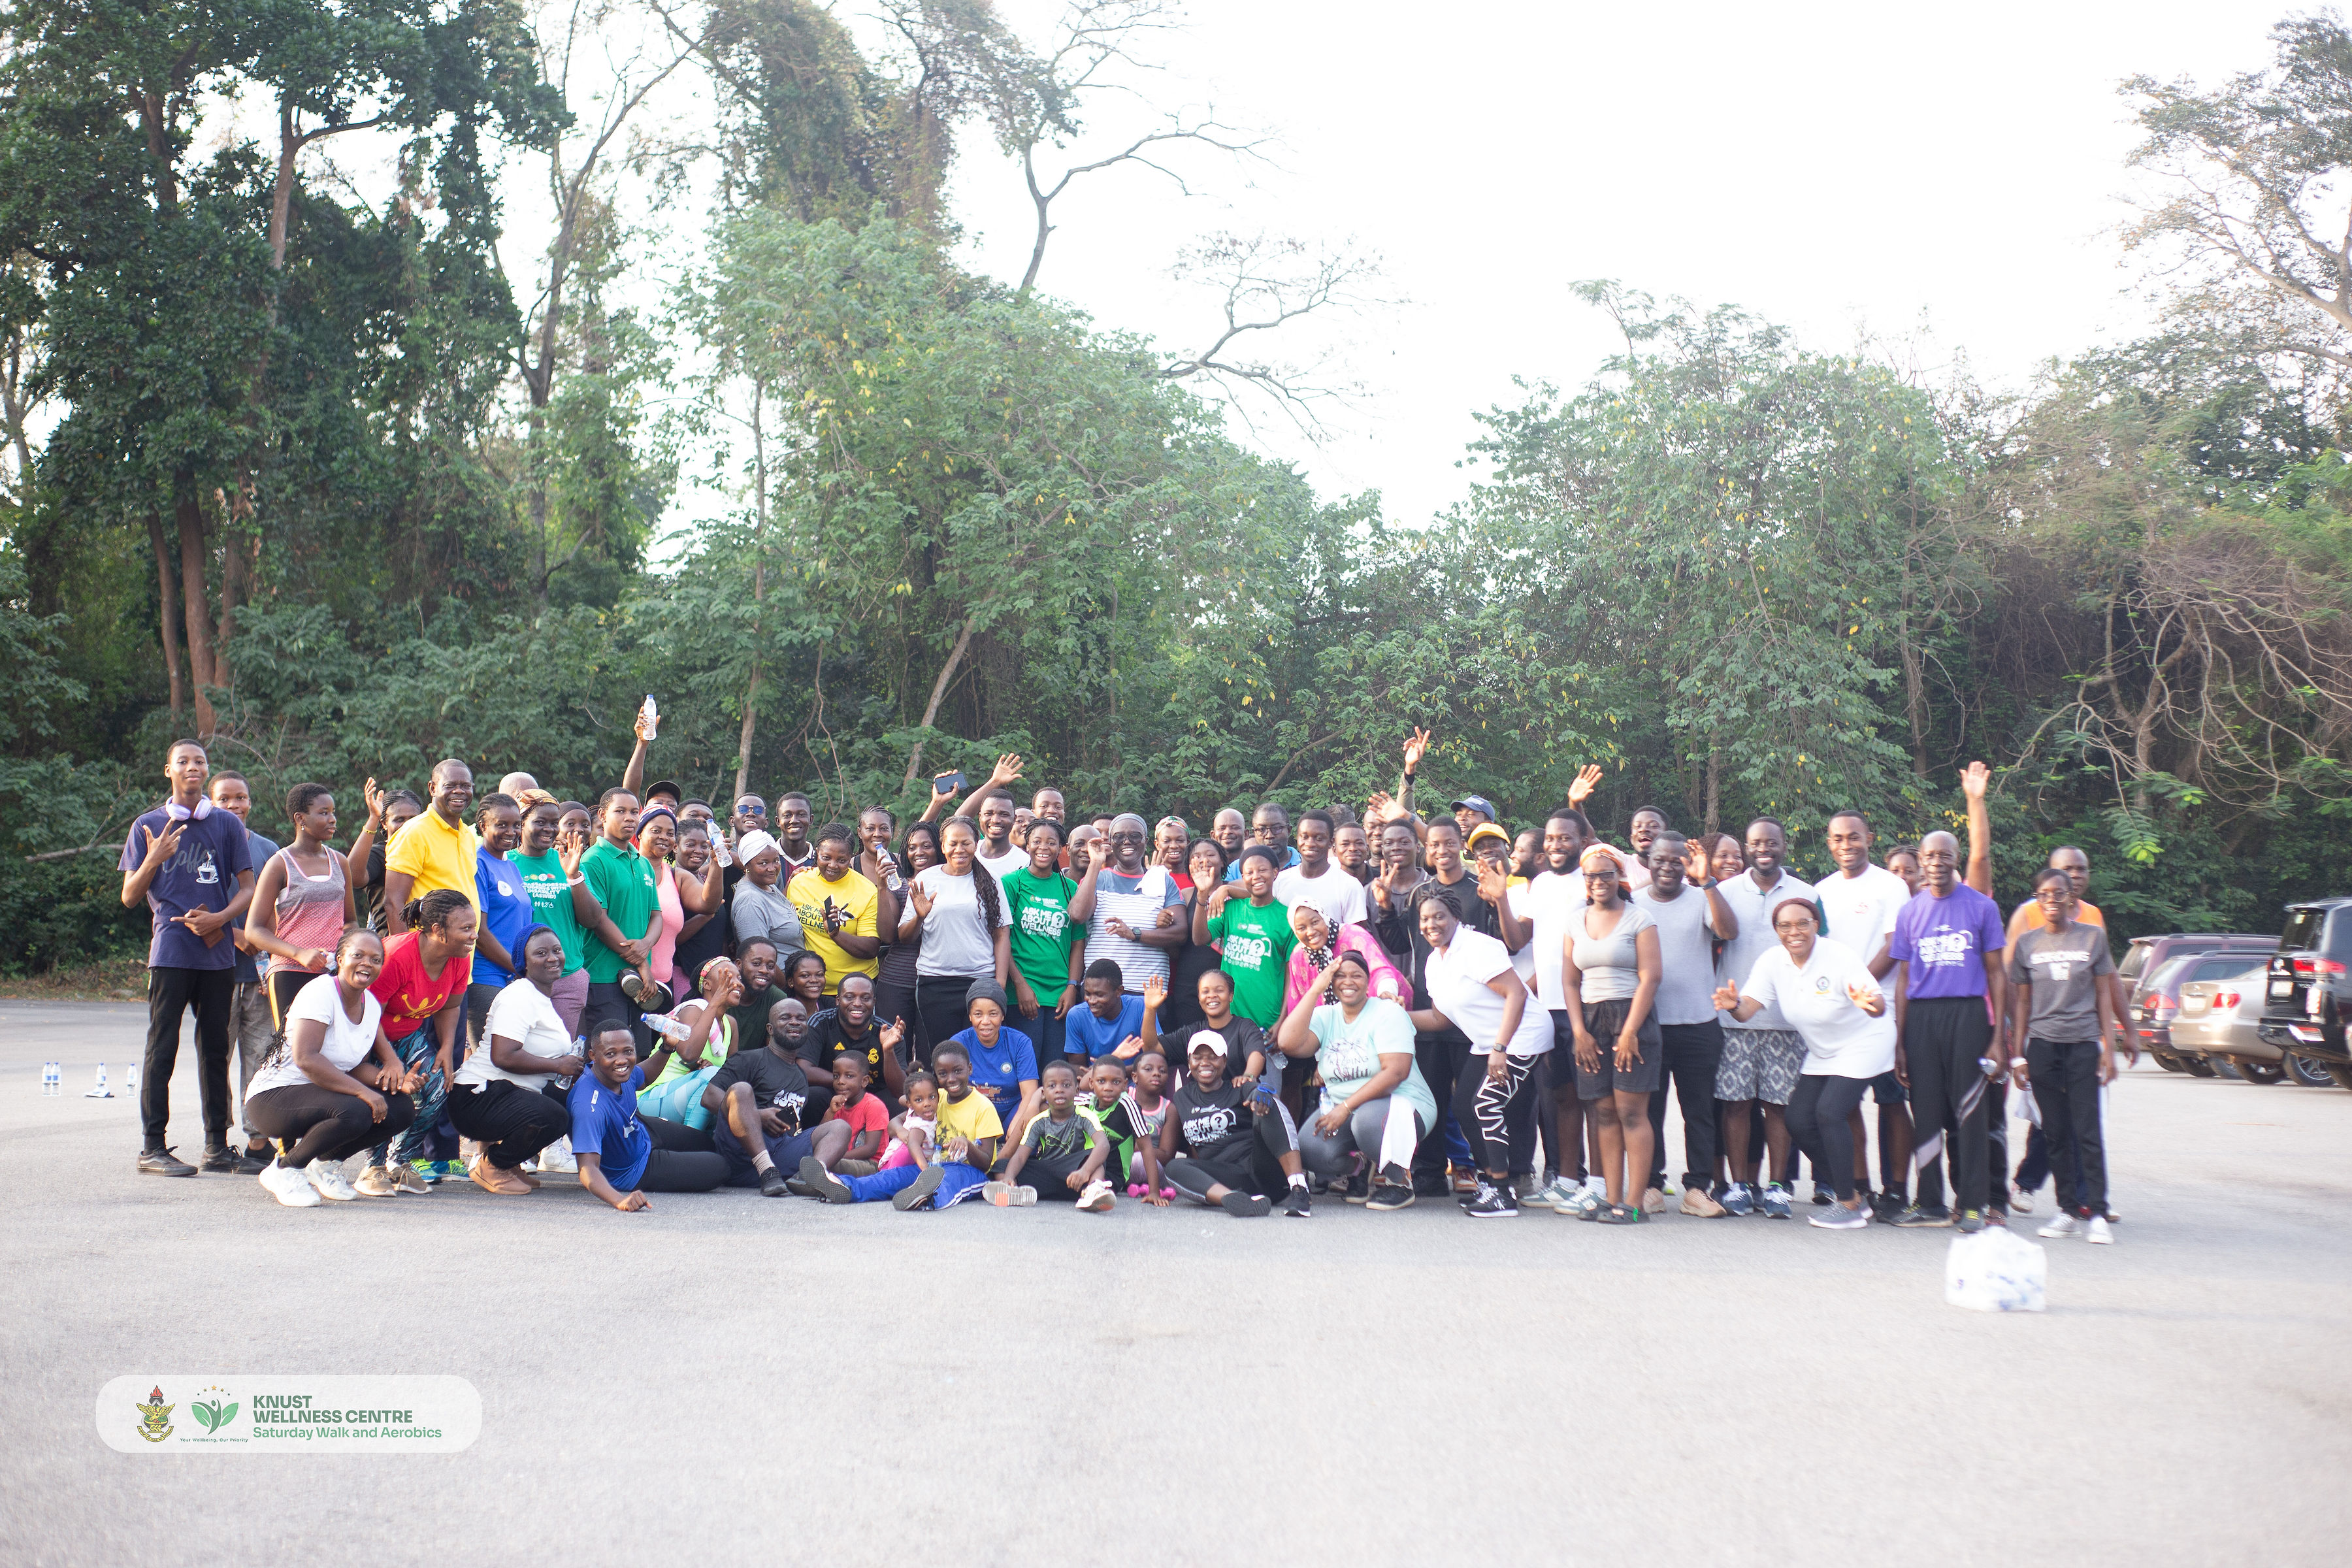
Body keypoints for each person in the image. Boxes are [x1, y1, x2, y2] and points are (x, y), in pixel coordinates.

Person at [1715, 898, 1893, 1230]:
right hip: (1823, 1051)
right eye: (1785, 926)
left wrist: (1868, 1003)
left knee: (1829, 1112)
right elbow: (1747, 1010)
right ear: (1777, 930)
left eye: (1803, 924)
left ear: (1816, 926)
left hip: (1864, 1041)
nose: (1794, 932)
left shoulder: (1839, 956)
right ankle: (1853, 1191)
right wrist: (1733, 1004)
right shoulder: (1772, 961)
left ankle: (1848, 1204)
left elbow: (1878, 1006)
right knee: (1798, 1120)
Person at [120, 739, 255, 1177]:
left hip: (217, 954)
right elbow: (129, 897)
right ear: (169, 771)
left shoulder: (226, 824)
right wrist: (154, 859)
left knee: (215, 1049)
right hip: (171, 952)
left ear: (207, 769)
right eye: (183, 761)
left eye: (199, 761)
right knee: (162, 1046)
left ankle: (216, 1147)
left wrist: (221, 917)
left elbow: (249, 888)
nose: (192, 767)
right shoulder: (147, 825)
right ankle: (152, 1148)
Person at [1374, 817, 1506, 1196]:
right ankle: (1430, 1171)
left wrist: (1499, 902)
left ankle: (1489, 1174)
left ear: (1461, 845)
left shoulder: (1480, 889)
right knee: (1429, 1096)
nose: (1442, 851)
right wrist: (1385, 908)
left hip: (1472, 1018)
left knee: (1474, 1101)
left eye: (1449, 843)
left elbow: (1502, 946)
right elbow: (1401, 944)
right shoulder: (1421, 894)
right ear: (1426, 849)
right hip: (1428, 1011)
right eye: (1434, 844)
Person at [242, 927, 421, 1207]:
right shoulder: (320, 993)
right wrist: (364, 1093)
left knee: (400, 1109)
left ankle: (324, 1164)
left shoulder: (371, 1005)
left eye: (375, 960)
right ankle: (285, 1170)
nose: (367, 963)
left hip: (320, 1095)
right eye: (358, 955)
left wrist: (394, 1083)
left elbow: (356, 1067)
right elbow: (306, 1058)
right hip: (273, 1097)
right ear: (340, 959)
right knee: (357, 1109)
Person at [1887, 828, 2010, 1232]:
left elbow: (1997, 973)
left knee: (1971, 1112)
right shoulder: (1910, 911)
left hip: (1968, 1014)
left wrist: (1998, 1037)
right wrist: (1901, 1042)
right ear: (1921, 862)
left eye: (1945, 855)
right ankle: (1930, 1203)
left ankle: (1973, 1204)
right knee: (1925, 1112)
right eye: (1930, 856)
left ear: (1957, 859)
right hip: (1922, 1018)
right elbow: (1903, 978)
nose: (1937, 862)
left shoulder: (1982, 907)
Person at [1409, 885, 1552, 1217]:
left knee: (1485, 1105)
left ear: (1455, 917)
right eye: (1425, 919)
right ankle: (1491, 1182)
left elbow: (1516, 994)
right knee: (1464, 1107)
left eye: (1439, 917)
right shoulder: (1434, 962)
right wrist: (1393, 1015)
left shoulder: (1476, 947)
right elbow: (1440, 1019)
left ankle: (1503, 1193)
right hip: (1489, 1041)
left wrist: (1501, 1048)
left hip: (1521, 1036)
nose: (1431, 924)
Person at [1710, 817, 1818, 1218]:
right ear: (1747, 848)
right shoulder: (1723, 891)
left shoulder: (1806, 894)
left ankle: (1776, 1188)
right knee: (1736, 1105)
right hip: (1735, 1020)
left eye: (1772, 842)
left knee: (1779, 1108)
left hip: (1787, 1023)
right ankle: (1740, 1186)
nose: (1764, 849)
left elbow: (1819, 951)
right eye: (1756, 843)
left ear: (1784, 845)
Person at [2008, 868, 2121, 1243]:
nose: (2052, 900)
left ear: (2072, 897)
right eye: (2044, 894)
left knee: (2087, 1132)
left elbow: (2104, 993)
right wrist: (2018, 1056)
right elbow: (2022, 1003)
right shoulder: (2027, 943)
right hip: (2042, 1047)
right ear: (2037, 900)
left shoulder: (2093, 937)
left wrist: (2109, 1048)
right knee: (2055, 1133)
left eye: (2059, 893)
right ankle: (2068, 1211)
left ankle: (2098, 1214)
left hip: (2083, 1044)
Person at [1275, 951, 1436, 1211]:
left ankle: (1400, 1183)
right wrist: (1316, 989)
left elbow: (1396, 1073)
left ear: (1368, 980)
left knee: (1366, 1122)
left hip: (1403, 1103)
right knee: (1311, 1149)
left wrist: (1346, 1107)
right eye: (1340, 976)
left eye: (1356, 976)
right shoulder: (1326, 1016)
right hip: (1346, 1108)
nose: (1348, 982)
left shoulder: (1387, 1012)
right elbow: (1288, 1043)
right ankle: (1358, 1168)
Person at [1814, 807, 1916, 1211]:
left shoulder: (1892, 886)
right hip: (1840, 1015)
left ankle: (1896, 1189)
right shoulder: (1821, 891)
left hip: (1881, 1010)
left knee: (1891, 1103)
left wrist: (1858, 987)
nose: (1846, 845)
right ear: (1829, 843)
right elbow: (1820, 950)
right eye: (1838, 838)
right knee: (1845, 1107)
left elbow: (1895, 946)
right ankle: (1859, 1186)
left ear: (1869, 839)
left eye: (1854, 837)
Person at [1554, 845, 1662, 1223]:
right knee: (1602, 1112)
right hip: (1589, 1020)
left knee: (1631, 1112)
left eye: (1605, 874)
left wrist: (1630, 1031)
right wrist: (1579, 1032)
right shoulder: (1575, 921)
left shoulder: (1640, 919)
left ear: (1619, 877)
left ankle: (1633, 1204)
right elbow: (1570, 981)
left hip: (1632, 1016)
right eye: (1591, 876)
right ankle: (1611, 1198)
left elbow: (1651, 978)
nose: (1598, 881)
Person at [1635, 831, 1735, 1217]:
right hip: (1650, 1025)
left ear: (1687, 864)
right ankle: (1651, 1185)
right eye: (1659, 859)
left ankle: (1697, 1189)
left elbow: (1728, 931)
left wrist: (1706, 881)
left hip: (1699, 1024)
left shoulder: (1701, 898)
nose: (1667, 867)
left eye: (1676, 860)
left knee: (1700, 1111)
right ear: (1648, 861)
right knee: (1649, 1111)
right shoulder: (1635, 903)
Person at [242, 783, 356, 1119]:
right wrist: (299, 953)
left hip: (334, 975)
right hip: (290, 973)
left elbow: (350, 920)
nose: (332, 819)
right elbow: (254, 930)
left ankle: (324, 1128)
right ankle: (284, 1138)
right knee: (293, 1054)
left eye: (333, 812)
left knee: (332, 1051)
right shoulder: (280, 864)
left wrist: (344, 951)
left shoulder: (340, 862)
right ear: (300, 819)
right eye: (323, 813)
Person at [357, 889, 476, 1195]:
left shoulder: (459, 957)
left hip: (408, 1034)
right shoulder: (396, 956)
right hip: (369, 1036)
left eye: (473, 927)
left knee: (436, 1087)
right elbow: (368, 1015)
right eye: (466, 928)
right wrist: (390, 1060)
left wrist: (447, 1048)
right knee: (388, 1088)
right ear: (438, 930)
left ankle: (400, 1162)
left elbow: (450, 1006)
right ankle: (373, 1167)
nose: (473, 935)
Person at [446, 926, 580, 1194]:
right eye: (541, 953)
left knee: (571, 1098)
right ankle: (493, 1164)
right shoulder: (519, 996)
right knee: (553, 1116)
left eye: (556, 950)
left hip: (502, 1093)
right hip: (476, 1097)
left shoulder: (540, 997)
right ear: (524, 962)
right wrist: (558, 1065)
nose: (552, 958)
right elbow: (503, 1056)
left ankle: (509, 1163)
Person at [800, 1040, 1001, 1211]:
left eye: (958, 1071)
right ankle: (845, 1187)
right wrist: (902, 1131)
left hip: (968, 1171)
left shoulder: (983, 1107)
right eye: (943, 1074)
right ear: (936, 1076)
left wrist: (967, 1144)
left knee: (949, 1181)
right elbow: (896, 1121)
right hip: (928, 1166)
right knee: (892, 1177)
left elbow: (985, 1164)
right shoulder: (935, 1097)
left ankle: (927, 1198)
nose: (951, 1079)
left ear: (970, 1069)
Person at [1516, 811, 1597, 1212]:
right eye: (1550, 838)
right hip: (1547, 1006)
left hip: (1587, 1006)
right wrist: (1497, 899)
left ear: (1582, 841)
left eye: (1565, 837)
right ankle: (1567, 1180)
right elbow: (1521, 937)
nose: (1555, 845)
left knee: (1595, 1100)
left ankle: (1599, 1184)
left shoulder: (1593, 879)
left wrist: (1577, 805)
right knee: (1562, 1096)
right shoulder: (1542, 883)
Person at [698, 995, 853, 1196]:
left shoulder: (801, 1077)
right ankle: (767, 1171)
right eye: (786, 1018)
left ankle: (809, 1177)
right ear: (770, 1029)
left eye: (801, 1018)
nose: (795, 1022)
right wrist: (758, 1115)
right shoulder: (749, 1059)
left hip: (780, 1153)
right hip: (740, 1156)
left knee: (840, 1127)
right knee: (741, 1089)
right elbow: (709, 1097)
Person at [569, 1024, 730, 1209]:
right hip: (633, 1169)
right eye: (611, 1054)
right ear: (593, 1056)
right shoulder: (589, 1106)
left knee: (707, 1143)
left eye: (628, 1052)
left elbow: (644, 1077)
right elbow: (587, 1168)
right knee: (720, 1167)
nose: (621, 1061)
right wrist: (619, 1200)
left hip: (640, 1131)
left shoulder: (619, 1073)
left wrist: (667, 1047)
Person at [206, 770, 279, 1174]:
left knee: (260, 1057)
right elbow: (189, 904)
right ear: (210, 802)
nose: (234, 805)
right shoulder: (201, 845)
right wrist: (235, 935)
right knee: (215, 1057)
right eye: (224, 799)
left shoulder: (268, 850)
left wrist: (266, 950)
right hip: (214, 970)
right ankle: (215, 1142)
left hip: (259, 975)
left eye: (241, 798)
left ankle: (258, 1142)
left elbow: (281, 908)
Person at [902, 818, 1011, 1056]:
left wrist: (1000, 984)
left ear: (976, 844)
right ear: (943, 846)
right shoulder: (926, 879)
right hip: (935, 983)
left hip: (980, 981)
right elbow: (904, 937)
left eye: (966, 843)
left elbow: (1002, 934)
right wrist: (919, 917)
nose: (959, 850)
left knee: (977, 1055)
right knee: (941, 1056)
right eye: (953, 844)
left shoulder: (991, 880)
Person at [1158, 1033, 1286, 1217]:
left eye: (1213, 1057)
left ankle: (1298, 1185)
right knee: (1174, 1167)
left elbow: (1260, 1094)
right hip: (1228, 1178)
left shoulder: (1239, 1087)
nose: (1205, 1063)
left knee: (1266, 1103)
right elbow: (1188, 1145)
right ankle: (1232, 1199)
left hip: (1260, 1169)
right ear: (1189, 1062)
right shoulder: (1182, 1097)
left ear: (1224, 1061)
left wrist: (1263, 1094)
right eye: (1197, 1057)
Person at [572, 789, 660, 1040]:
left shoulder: (643, 862)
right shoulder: (593, 860)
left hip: (641, 980)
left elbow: (656, 915)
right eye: (620, 811)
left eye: (634, 812)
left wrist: (646, 945)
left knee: (638, 1053)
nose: (629, 818)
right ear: (602, 815)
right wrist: (641, 962)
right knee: (607, 1053)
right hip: (604, 977)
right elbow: (599, 920)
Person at [1068, 813, 1187, 994]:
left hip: (1148, 993)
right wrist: (1096, 863)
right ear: (1110, 842)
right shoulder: (1098, 879)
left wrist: (1135, 934)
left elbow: (1180, 933)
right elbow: (1077, 915)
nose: (1127, 842)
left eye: (1135, 836)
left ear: (1146, 841)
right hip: (1100, 993)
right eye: (1119, 837)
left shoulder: (1163, 881)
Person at [998, 817, 1083, 1060]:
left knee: (1054, 1068)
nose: (1043, 847)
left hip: (1060, 995)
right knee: (1026, 1066)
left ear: (1061, 849)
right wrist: (1020, 985)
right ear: (1027, 845)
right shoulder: (1011, 883)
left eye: (1051, 843)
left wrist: (1072, 987)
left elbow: (1078, 943)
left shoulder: (1070, 888)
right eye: (1037, 841)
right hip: (1023, 993)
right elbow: (1002, 939)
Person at [506, 795, 592, 1035]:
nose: (550, 829)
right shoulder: (506, 863)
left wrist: (573, 876)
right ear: (522, 823)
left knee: (560, 1050)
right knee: (520, 1047)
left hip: (566, 976)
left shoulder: (568, 860)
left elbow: (591, 920)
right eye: (540, 822)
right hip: (520, 976)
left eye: (555, 823)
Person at [1194, 844, 1299, 1032]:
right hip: (1228, 1017)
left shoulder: (1288, 918)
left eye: (1263, 870)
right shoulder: (1231, 908)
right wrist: (1202, 896)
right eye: (1249, 872)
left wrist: (1283, 1020)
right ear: (1242, 877)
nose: (1256, 876)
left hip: (1267, 1018)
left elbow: (1291, 975)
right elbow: (1200, 938)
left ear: (1275, 873)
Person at [990, 1060, 1116, 1209]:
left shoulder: (1085, 1115)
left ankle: (1092, 1192)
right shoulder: (1038, 1121)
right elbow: (1020, 1156)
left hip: (1075, 1177)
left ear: (1077, 1090)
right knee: (1002, 1165)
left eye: (1066, 1085)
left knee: (1096, 1160)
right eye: (1052, 1086)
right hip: (1046, 1175)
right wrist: (1009, 1177)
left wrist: (1084, 1172)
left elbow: (1103, 1144)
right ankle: (1011, 1189)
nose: (1059, 1090)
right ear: (1043, 1093)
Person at [467, 792, 537, 1051]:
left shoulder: (512, 867)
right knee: (489, 1057)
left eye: (516, 825)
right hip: (487, 976)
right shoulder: (477, 864)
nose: (511, 832)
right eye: (502, 825)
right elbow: (479, 931)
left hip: (515, 976)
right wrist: (520, 969)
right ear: (483, 826)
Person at [382, 759, 480, 932]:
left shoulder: (466, 834)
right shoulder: (414, 832)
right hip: (425, 945)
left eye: (465, 786)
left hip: (463, 946)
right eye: (450, 785)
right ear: (432, 788)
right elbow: (393, 902)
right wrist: (403, 948)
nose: (459, 791)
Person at [787, 822, 881, 998]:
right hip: (809, 988)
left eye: (841, 860)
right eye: (826, 858)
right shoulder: (799, 882)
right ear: (817, 853)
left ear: (852, 857)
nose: (832, 865)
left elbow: (871, 949)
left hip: (854, 989)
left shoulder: (867, 891)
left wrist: (837, 935)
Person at [943, 979, 1038, 1148]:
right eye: (978, 1014)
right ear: (970, 1016)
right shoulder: (958, 1044)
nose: (985, 1021)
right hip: (973, 1118)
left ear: (1003, 1015)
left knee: (1040, 1107)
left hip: (1010, 1116)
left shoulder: (1020, 1043)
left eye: (993, 1014)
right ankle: (998, 1157)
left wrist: (1018, 1122)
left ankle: (1005, 1157)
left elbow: (1029, 1093)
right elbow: (948, 1090)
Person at [1281, 900, 1407, 1018]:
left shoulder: (1354, 936)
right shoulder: (1299, 956)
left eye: (1315, 922)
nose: (1310, 932)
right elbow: (1297, 1001)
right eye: (1302, 928)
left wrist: (1386, 993)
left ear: (1324, 918)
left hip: (1371, 1015)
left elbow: (1379, 969)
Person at [874, 819, 938, 1043]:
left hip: (936, 981)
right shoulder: (898, 885)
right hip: (897, 980)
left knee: (930, 1049)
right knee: (894, 1045)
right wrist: (882, 887)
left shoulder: (952, 883)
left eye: (927, 846)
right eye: (912, 847)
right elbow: (887, 935)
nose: (919, 852)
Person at [802, 975, 907, 1103]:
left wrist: (888, 1050)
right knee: (813, 1095)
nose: (857, 1003)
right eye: (850, 997)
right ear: (838, 1000)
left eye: (865, 998)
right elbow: (804, 1070)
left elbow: (900, 1091)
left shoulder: (889, 1033)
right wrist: (849, 1082)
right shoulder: (820, 1023)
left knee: (900, 1103)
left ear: (874, 1002)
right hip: (833, 1092)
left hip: (873, 1097)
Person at [1162, 838, 1230, 1030]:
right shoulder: (1185, 894)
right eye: (1197, 856)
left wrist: (1225, 889)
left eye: (1210, 855)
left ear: (1222, 860)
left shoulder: (1236, 889)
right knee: (1190, 1039)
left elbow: (1254, 891)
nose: (1204, 860)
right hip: (1189, 982)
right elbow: (1176, 938)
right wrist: (1163, 920)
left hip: (1226, 981)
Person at [347, 781, 423, 932]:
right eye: (399, 820)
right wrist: (373, 819)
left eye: (413, 819)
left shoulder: (428, 849)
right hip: (391, 940)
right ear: (384, 823)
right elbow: (353, 877)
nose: (407, 825)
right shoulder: (380, 853)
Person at [670, 818, 732, 997]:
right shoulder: (670, 882)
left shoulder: (707, 882)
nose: (698, 851)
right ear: (675, 847)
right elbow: (671, 938)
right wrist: (706, 915)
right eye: (691, 845)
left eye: (704, 846)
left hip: (712, 976)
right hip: (683, 975)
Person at [1065, 959, 1147, 1066]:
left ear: (1119, 991)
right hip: (1096, 1077)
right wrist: (1112, 1062)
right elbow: (1078, 1069)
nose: (1092, 1001)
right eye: (1088, 994)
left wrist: (1102, 1068)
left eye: (1099, 995)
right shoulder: (1077, 1016)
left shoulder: (1141, 1007)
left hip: (1134, 1077)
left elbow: (1153, 1061)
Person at [823, 1053, 892, 1173]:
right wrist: (831, 1112)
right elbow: (820, 1137)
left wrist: (834, 1157)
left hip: (872, 1165)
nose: (841, 1081)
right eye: (836, 1076)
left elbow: (870, 1149)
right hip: (842, 1160)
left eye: (849, 1076)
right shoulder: (838, 1106)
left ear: (864, 1081)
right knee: (813, 1158)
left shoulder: (874, 1106)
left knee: (828, 1164)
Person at [772, 791, 816, 875]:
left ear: (811, 820)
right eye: (787, 815)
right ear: (778, 821)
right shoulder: (766, 859)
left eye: (801, 815)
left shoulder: (820, 861)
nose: (794, 820)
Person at [1333, 820, 1373, 885]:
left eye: (1359, 843)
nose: (1353, 849)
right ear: (1335, 851)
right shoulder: (1329, 884)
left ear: (1367, 849)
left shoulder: (1382, 879)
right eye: (1345, 844)